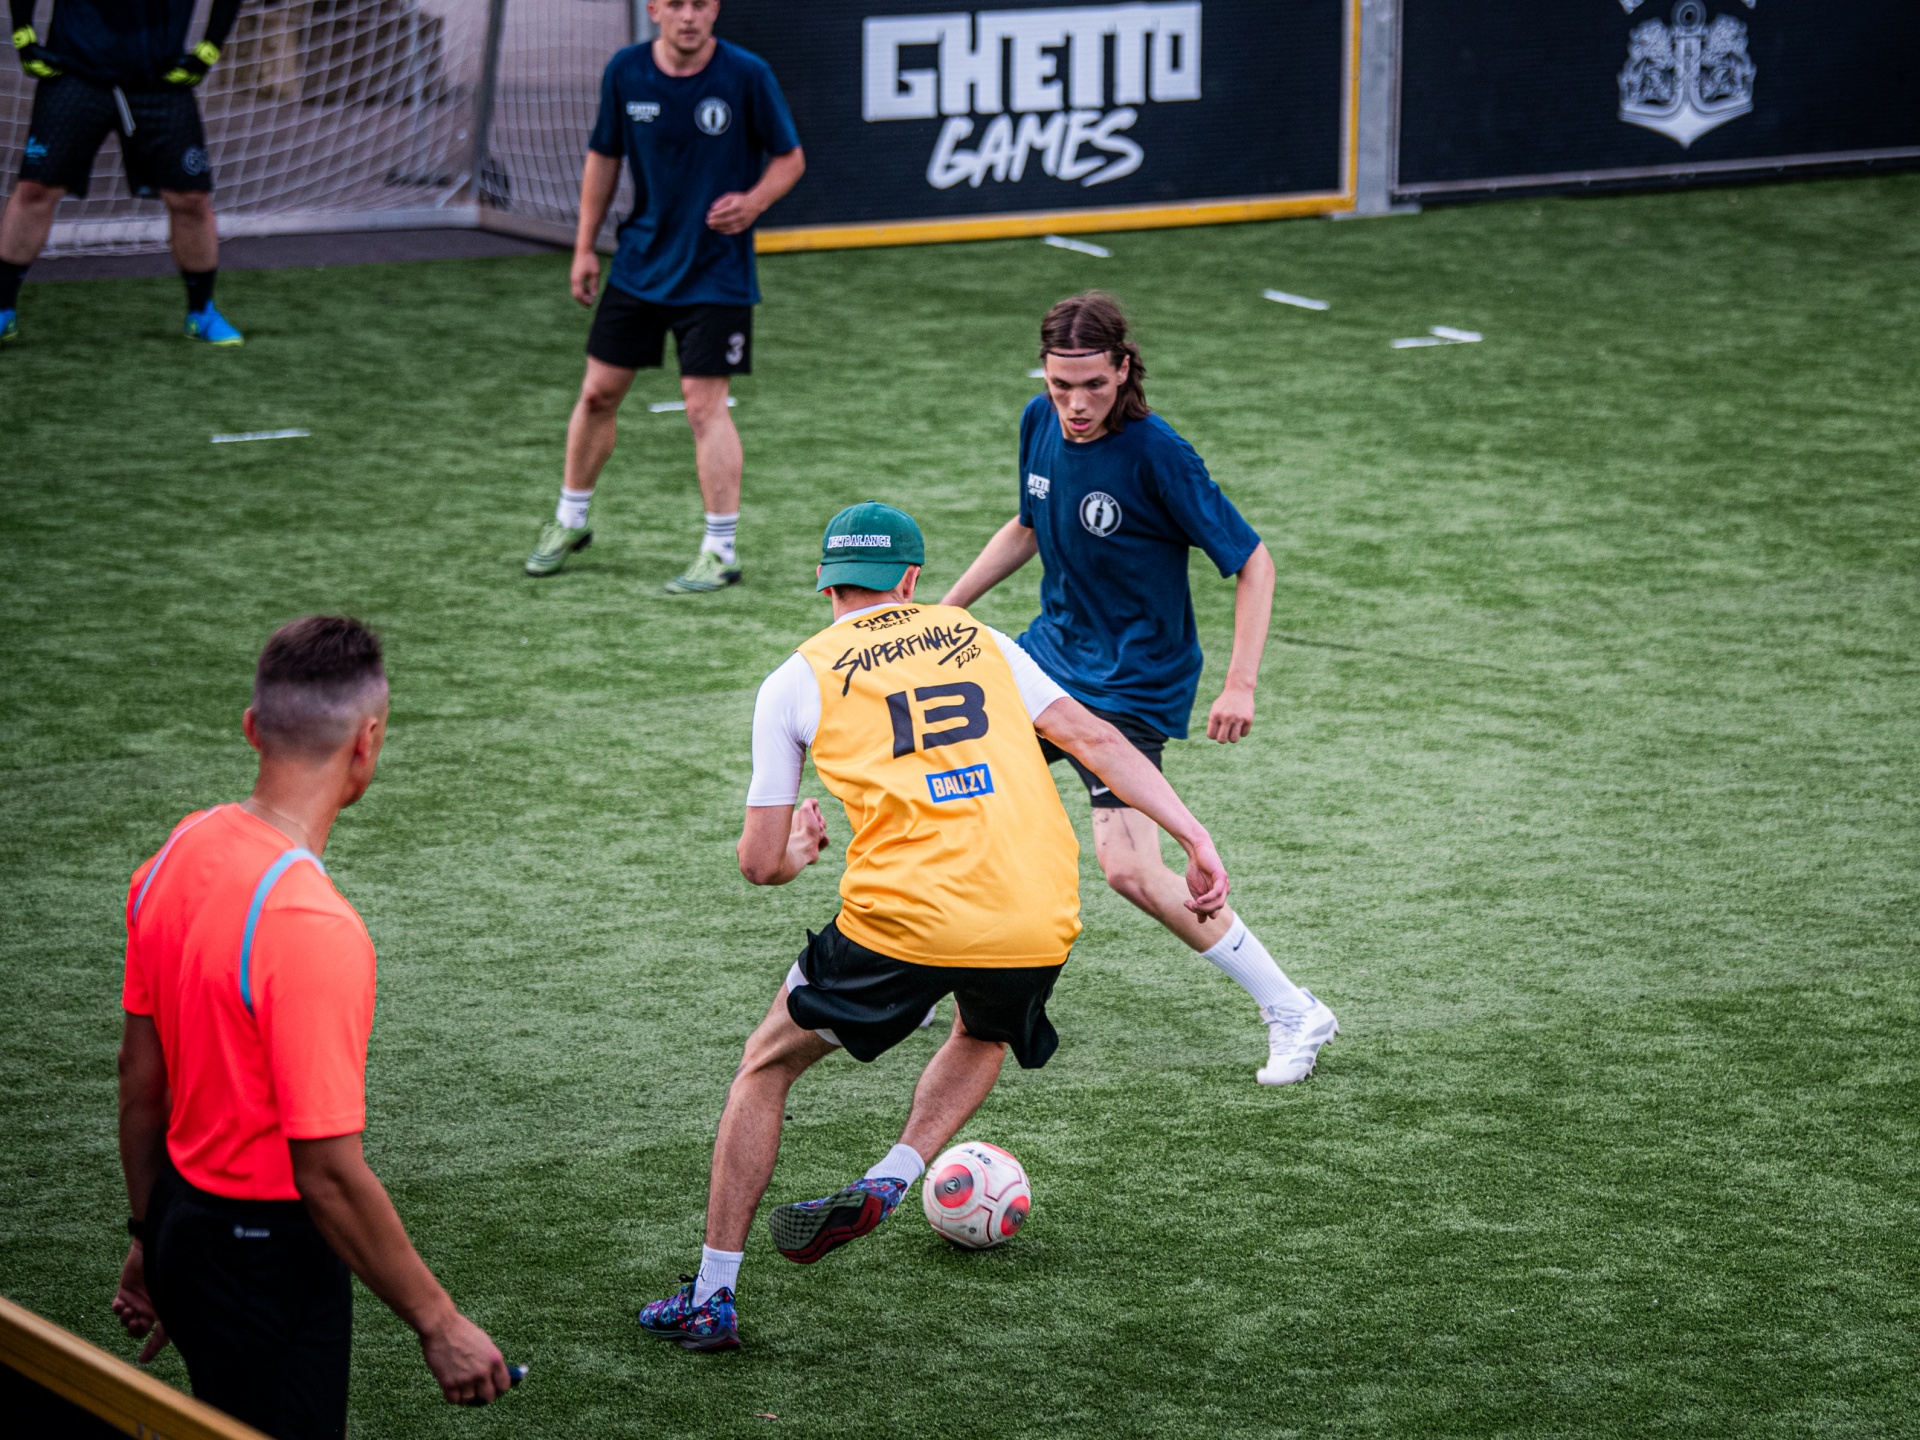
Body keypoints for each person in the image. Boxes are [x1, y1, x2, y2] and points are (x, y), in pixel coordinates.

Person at [636, 502, 1231, 1351]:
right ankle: (895, 1172)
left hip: (905, 919)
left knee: (765, 1067)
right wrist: (1194, 837)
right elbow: (1094, 737)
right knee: (983, 1029)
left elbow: (760, 864)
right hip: (1036, 907)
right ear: (911, 579)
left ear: (827, 583)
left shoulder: (795, 680)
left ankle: (711, 1295)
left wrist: (800, 850)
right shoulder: (979, 637)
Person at [111, 617, 511, 1438]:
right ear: (368, 742)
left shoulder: (176, 852)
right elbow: (325, 1172)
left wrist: (151, 1235)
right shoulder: (312, 925)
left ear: (252, 728)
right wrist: (439, 1322)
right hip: (265, 1251)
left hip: (184, 1221)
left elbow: (139, 1081)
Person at [942, 291, 1339, 1086]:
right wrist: (944, 613)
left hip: (1132, 679)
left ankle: (1293, 1009)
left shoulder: (1159, 454)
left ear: (1124, 369)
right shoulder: (1038, 422)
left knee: (1127, 868)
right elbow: (1027, 525)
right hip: (1049, 656)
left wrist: (1240, 684)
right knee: (950, 784)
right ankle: (932, 962)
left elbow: (1253, 561)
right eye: (1061, 386)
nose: (1076, 405)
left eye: (1093, 385)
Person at [524, 0, 804, 591]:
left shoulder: (746, 74)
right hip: (639, 265)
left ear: (715, 8)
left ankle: (720, 551)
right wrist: (583, 247)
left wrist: (754, 202)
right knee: (597, 392)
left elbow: (790, 157)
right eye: (676, 3)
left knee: (704, 406)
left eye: (700, 3)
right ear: (654, 9)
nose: (688, 16)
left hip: (716, 273)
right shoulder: (625, 71)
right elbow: (604, 158)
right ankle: (569, 521)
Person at [3, 0, 245, 346]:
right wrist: (23, 34)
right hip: (75, 72)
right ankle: (2, 309)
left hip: (159, 78)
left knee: (191, 198)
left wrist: (210, 47)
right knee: (35, 190)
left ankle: (202, 312)